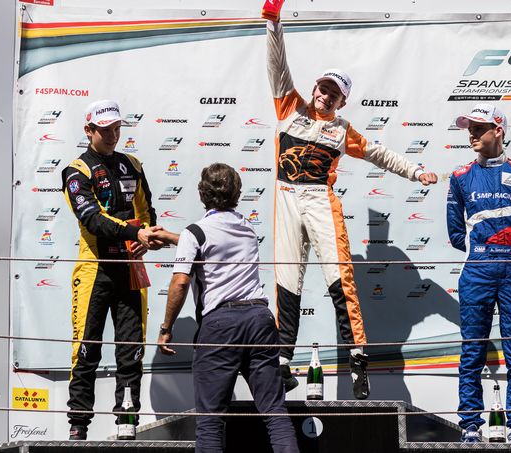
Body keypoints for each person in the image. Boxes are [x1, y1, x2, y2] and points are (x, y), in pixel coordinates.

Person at [265, 13, 438, 400]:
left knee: (340, 282)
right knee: (287, 282)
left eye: (334, 93)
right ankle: (282, 363)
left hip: (319, 201)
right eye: (323, 88)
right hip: (286, 199)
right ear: (314, 88)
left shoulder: (342, 131)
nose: (325, 95)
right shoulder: (289, 107)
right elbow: (277, 65)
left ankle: (358, 363)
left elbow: (379, 154)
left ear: (343, 101)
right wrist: (273, 25)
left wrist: (414, 171)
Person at [155, 163, 299, 453]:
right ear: (237, 194)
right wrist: (174, 238)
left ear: (202, 193)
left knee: (210, 422)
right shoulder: (246, 227)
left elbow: (181, 282)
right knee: (275, 412)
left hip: (221, 325)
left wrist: (166, 327)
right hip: (259, 320)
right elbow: (213, 242)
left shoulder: (195, 233)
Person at [446, 104, 511, 444]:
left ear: (499, 130)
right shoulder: (460, 176)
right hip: (477, 271)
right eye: (470, 129)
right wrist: (483, 250)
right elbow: (456, 234)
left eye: (479, 128)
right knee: (472, 352)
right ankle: (470, 426)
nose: (472, 134)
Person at [62, 99, 161, 440]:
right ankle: (78, 424)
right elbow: (93, 219)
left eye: (117, 128)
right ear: (88, 130)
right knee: (86, 348)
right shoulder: (77, 170)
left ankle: (127, 419)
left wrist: (145, 237)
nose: (113, 135)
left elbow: (146, 211)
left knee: (131, 348)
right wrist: (136, 232)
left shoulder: (132, 164)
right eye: (105, 130)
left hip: (130, 268)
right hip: (95, 269)